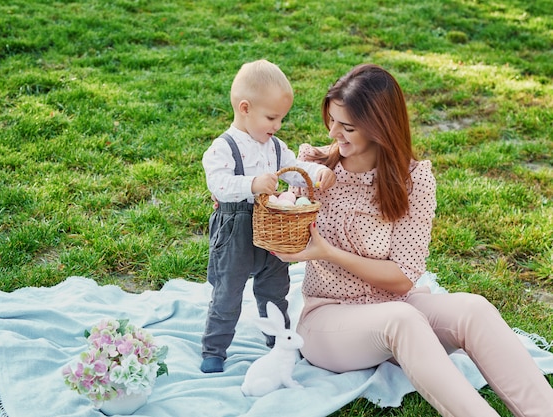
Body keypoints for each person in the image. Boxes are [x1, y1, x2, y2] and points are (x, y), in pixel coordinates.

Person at [274, 64, 553, 416]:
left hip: (401, 303)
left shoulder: (414, 179)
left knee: (474, 309)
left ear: (380, 128)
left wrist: (329, 252)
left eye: (347, 127)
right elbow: (279, 215)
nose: (334, 133)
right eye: (331, 120)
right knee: (402, 320)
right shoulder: (314, 167)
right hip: (330, 320)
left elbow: (404, 275)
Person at [200, 59, 336, 373]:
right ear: (245, 108)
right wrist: (252, 184)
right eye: (272, 117)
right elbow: (218, 184)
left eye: (281, 119)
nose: (277, 125)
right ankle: (215, 349)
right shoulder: (224, 147)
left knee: (275, 288)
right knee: (227, 291)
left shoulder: (275, 147)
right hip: (236, 230)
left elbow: (295, 172)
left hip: (274, 228)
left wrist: (318, 173)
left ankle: (279, 342)